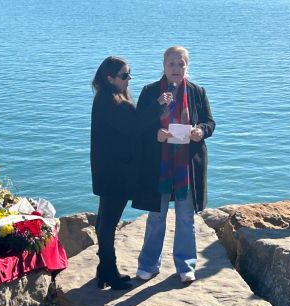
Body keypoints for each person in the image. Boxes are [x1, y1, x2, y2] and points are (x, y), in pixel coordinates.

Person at [132, 46, 216, 284]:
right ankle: (148, 264)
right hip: (159, 164)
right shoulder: (150, 92)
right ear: (164, 66)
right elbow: (139, 125)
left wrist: (201, 131)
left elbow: (210, 122)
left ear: (187, 66)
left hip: (187, 165)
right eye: (171, 64)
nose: (176, 69)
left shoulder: (197, 92)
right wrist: (155, 134)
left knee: (186, 217)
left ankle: (186, 265)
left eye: (181, 64)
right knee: (156, 216)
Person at [90, 56, 140, 291]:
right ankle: (110, 271)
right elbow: (139, 127)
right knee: (108, 223)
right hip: (116, 173)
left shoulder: (105, 98)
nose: (128, 80)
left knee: (104, 220)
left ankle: (103, 269)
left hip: (107, 171)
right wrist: (159, 106)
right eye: (124, 75)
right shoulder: (113, 103)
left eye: (129, 74)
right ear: (110, 78)